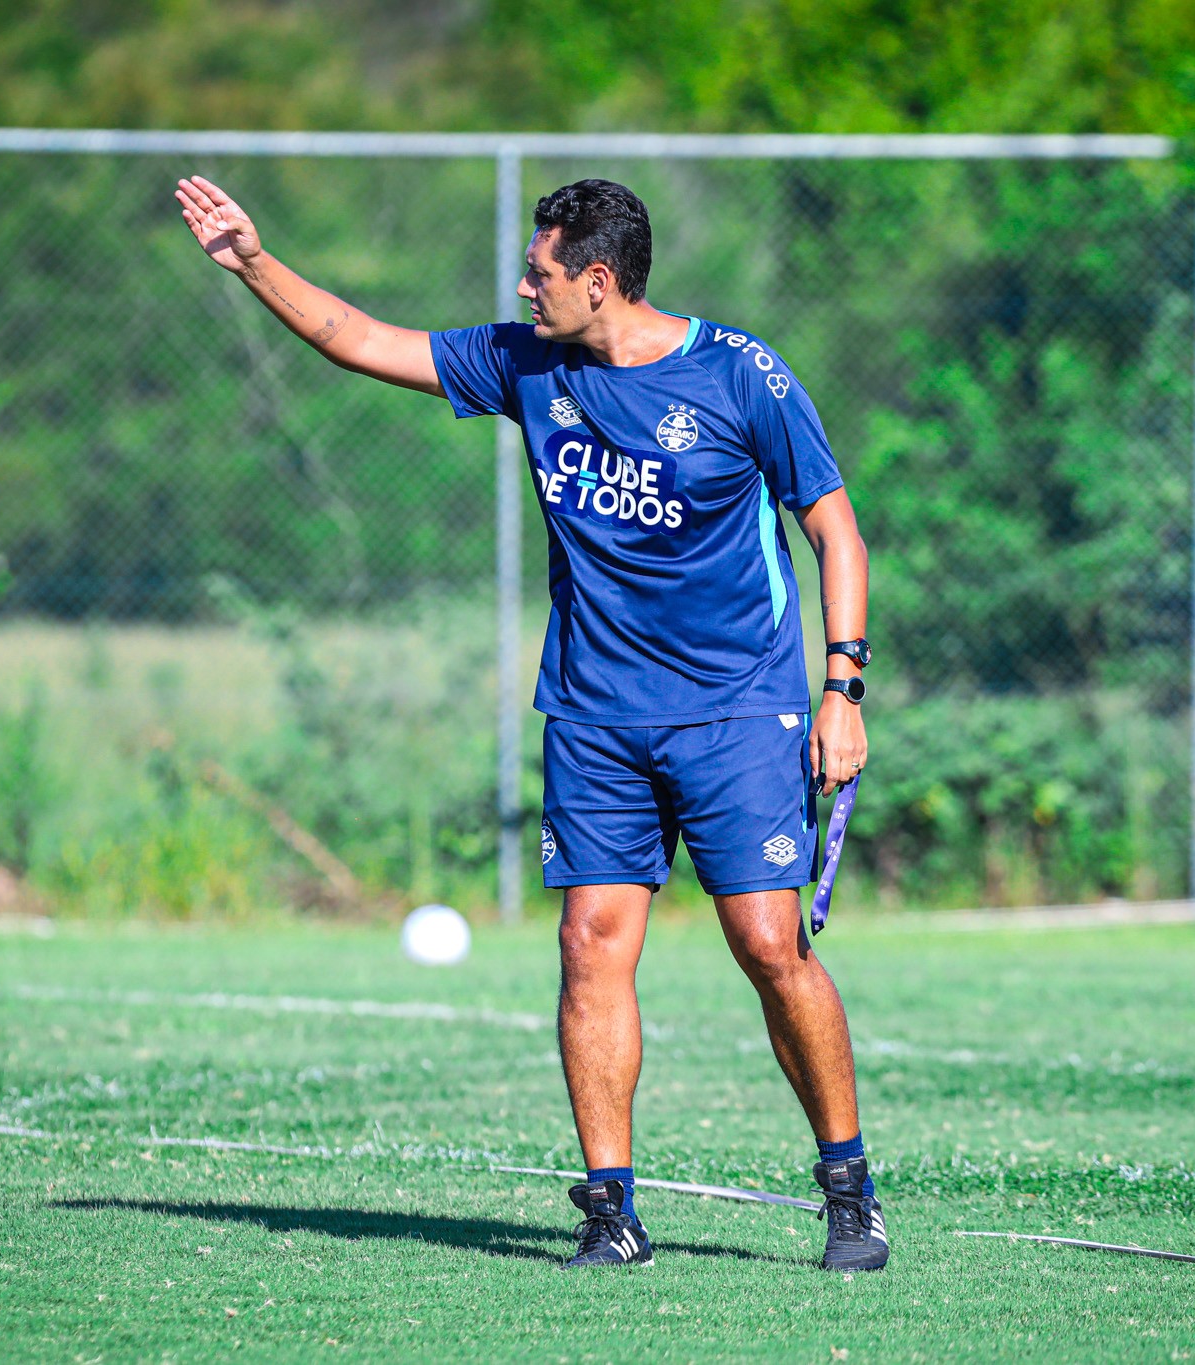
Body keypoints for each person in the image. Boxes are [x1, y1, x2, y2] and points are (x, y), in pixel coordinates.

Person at [175, 174, 886, 1273]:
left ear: (595, 280)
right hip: (595, 714)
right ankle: (610, 1212)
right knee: (587, 946)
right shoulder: (527, 361)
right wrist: (251, 261)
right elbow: (361, 342)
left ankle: (847, 1188)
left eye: (540, 272)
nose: (522, 287)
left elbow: (837, 537)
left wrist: (841, 693)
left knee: (767, 947)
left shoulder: (740, 375)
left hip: (739, 708)